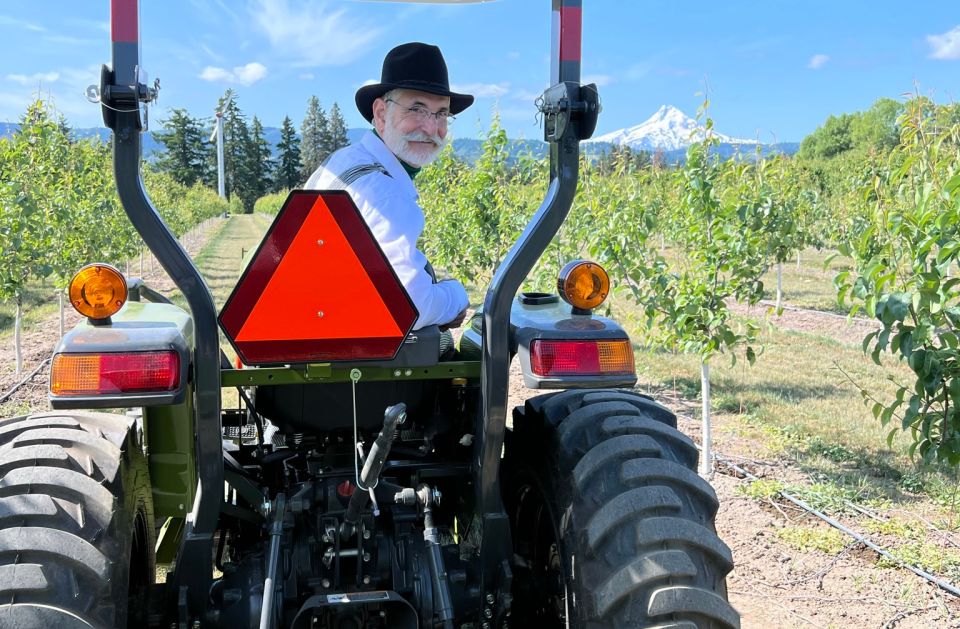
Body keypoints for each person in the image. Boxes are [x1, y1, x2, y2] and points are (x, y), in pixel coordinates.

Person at [305, 42, 471, 331]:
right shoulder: (385, 194)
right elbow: (409, 305)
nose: (432, 129)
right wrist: (455, 295)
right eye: (417, 109)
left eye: (441, 113)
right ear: (381, 114)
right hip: (347, 357)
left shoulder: (344, 161)